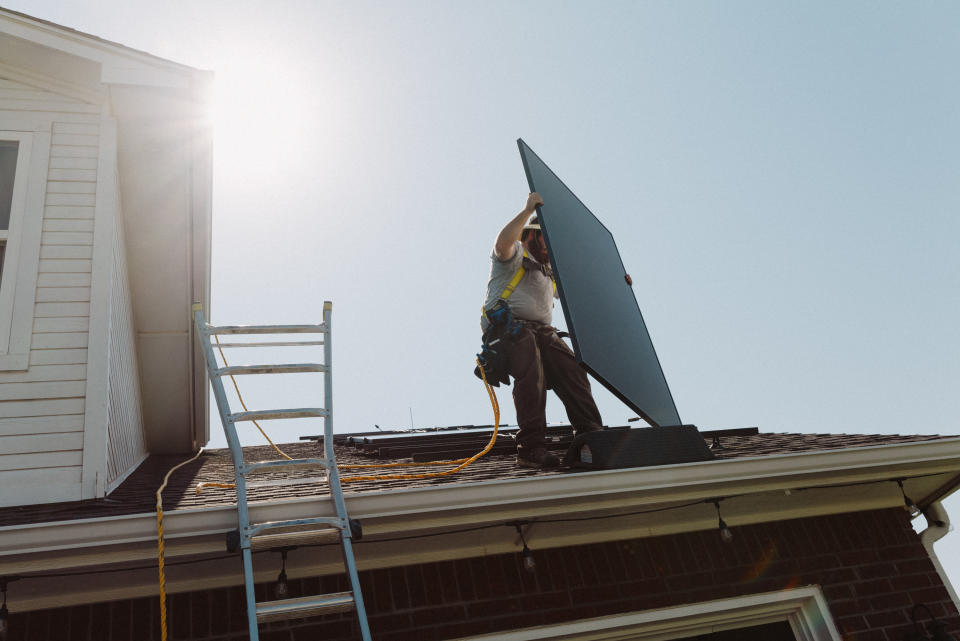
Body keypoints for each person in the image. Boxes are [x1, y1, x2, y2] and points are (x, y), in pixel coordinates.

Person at [480, 192, 604, 468]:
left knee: (572, 368)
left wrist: (621, 282)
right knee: (531, 364)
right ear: (532, 235)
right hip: (508, 328)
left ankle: (591, 439)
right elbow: (503, 242)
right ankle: (531, 448)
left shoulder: (549, 271)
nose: (550, 245)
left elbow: (587, 294)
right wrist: (527, 211)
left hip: (542, 331)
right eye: (545, 237)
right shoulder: (515, 255)